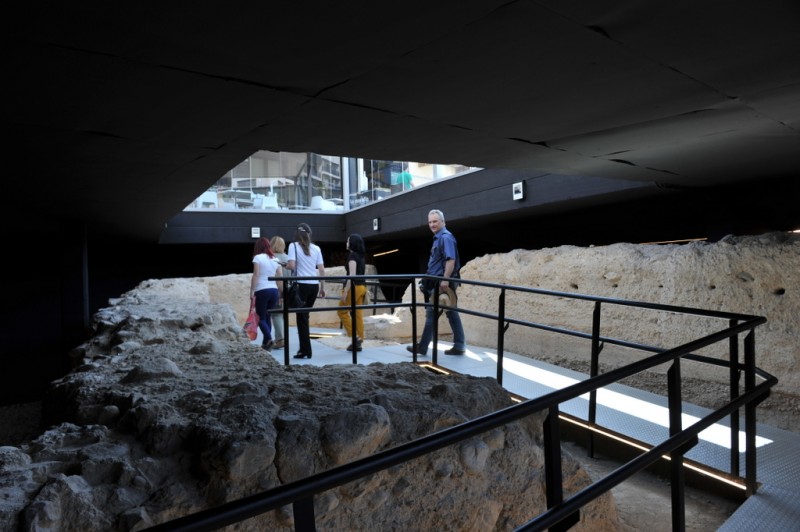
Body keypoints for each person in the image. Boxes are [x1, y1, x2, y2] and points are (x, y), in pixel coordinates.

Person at [407, 209, 466, 356]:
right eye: (430, 222)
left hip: (442, 283)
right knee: (451, 313)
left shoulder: (445, 237)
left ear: (442, 222)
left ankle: (423, 347)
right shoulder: (439, 238)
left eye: (435, 221)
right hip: (438, 282)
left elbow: (450, 260)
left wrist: (445, 279)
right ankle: (459, 345)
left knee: (431, 313)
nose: (432, 224)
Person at [287, 223, 326, 359]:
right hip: (314, 286)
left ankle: (305, 351)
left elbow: (292, 265)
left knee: (302, 318)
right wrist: (322, 287)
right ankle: (305, 349)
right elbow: (321, 269)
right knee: (305, 317)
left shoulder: (293, 246)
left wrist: (285, 265)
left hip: (301, 285)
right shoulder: (317, 248)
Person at [250, 237, 283, 351]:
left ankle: (269, 338)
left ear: (258, 247)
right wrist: (280, 293)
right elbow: (279, 277)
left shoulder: (257, 258)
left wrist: (252, 291)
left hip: (262, 290)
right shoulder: (275, 259)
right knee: (267, 317)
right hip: (273, 290)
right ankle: (266, 344)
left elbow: (256, 275)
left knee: (260, 318)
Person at [336, 233, 367, 351]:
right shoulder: (361, 256)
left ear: (352, 243)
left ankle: (355, 337)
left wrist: (345, 292)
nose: (346, 243)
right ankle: (359, 340)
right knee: (357, 314)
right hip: (362, 287)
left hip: (354, 287)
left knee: (342, 311)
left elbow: (351, 275)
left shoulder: (352, 256)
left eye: (348, 241)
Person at [269, 235, 290, 349]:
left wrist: (280, 293)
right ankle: (282, 337)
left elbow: (276, 278)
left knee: (276, 314)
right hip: (289, 290)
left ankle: (280, 339)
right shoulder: (288, 258)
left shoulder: (272, 259)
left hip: (277, 290)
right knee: (283, 314)